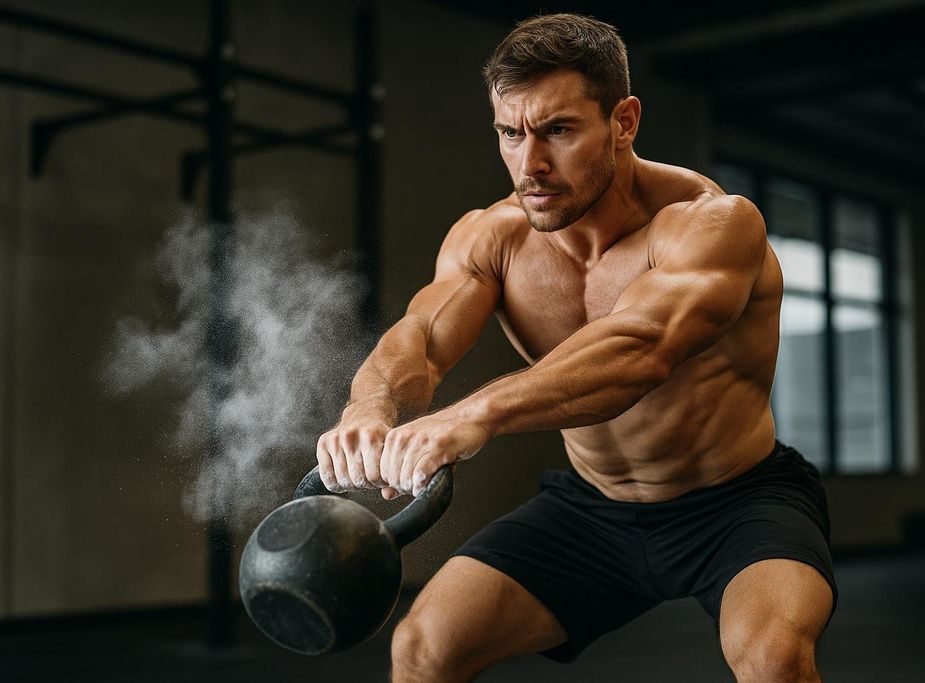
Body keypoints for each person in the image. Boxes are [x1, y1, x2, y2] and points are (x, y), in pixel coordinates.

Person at [316, 12, 836, 683]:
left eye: (558, 131)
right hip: (592, 510)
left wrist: (475, 414)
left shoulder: (711, 224)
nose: (529, 163)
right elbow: (420, 338)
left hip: (735, 501)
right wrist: (369, 404)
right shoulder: (492, 237)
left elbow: (638, 349)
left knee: (774, 659)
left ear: (623, 122)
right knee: (423, 646)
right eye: (510, 133)